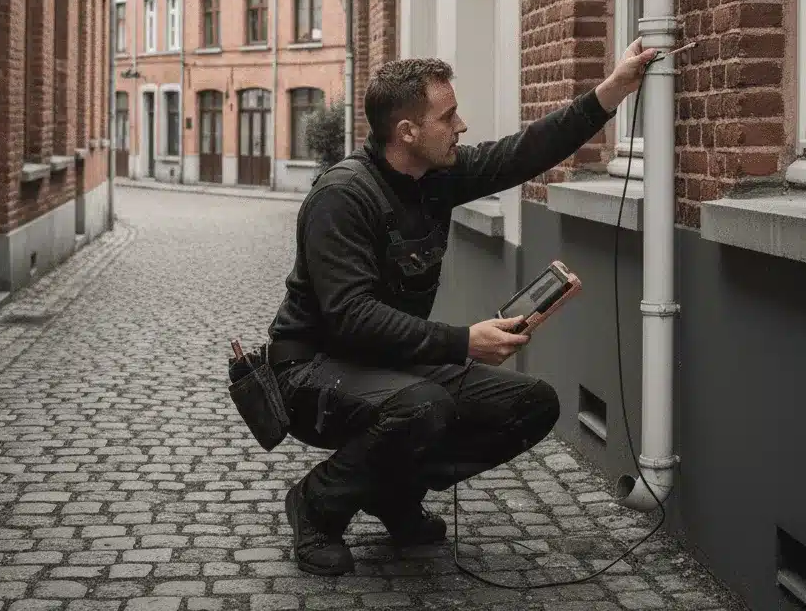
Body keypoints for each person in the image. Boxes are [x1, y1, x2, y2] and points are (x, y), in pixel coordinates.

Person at [267, 39, 657, 575]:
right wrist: (463, 342)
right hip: (312, 369)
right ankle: (316, 504)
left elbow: (523, 152)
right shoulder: (342, 197)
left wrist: (612, 91)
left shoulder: (436, 177)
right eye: (448, 116)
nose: (462, 125)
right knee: (423, 405)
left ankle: (389, 490)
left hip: (386, 366)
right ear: (407, 132)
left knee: (532, 404)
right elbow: (351, 316)